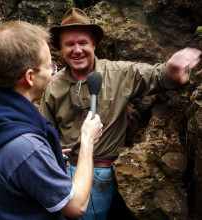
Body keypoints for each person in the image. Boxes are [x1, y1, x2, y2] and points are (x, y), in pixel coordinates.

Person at [39, 7, 202, 220]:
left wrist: (172, 70)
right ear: (61, 48)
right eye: (69, 44)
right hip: (63, 171)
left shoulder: (118, 73)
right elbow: (43, 130)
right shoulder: (53, 86)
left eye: (83, 43)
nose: (77, 50)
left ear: (94, 44)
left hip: (102, 173)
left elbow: (157, 76)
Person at [0, 20, 103, 220]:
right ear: (30, 77)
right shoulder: (27, 149)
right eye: (50, 66)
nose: (52, 72)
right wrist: (88, 140)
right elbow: (77, 205)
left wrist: (45, 155)